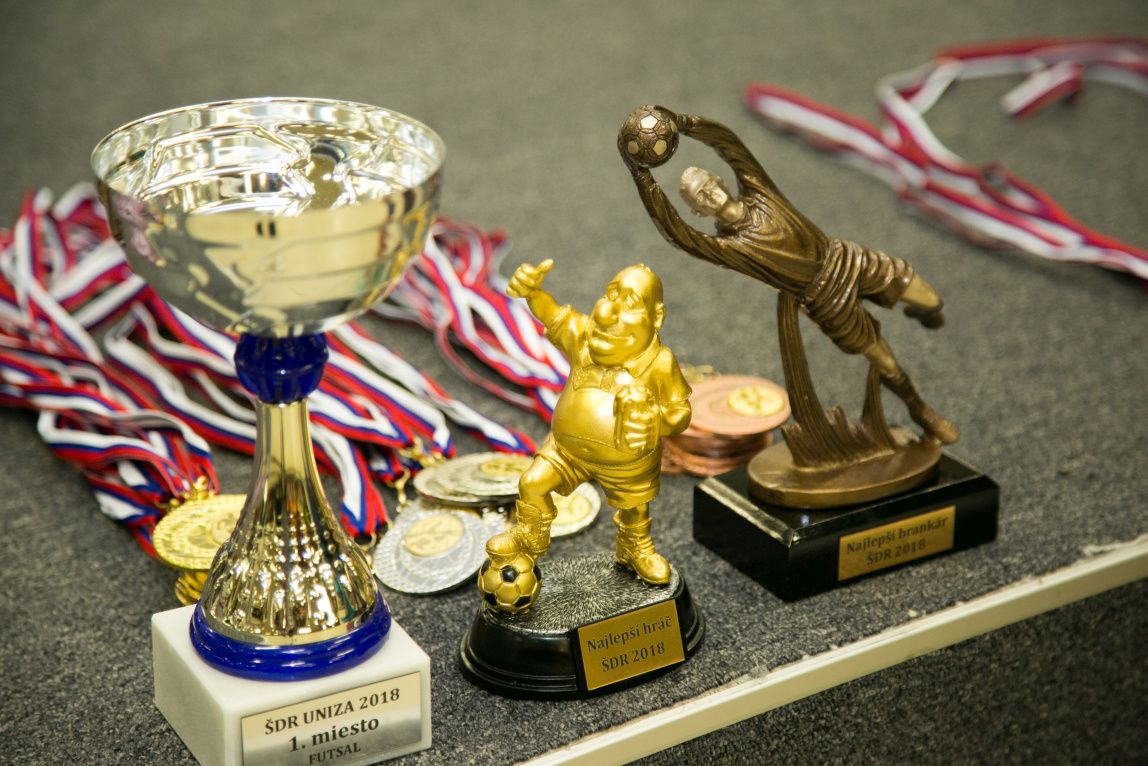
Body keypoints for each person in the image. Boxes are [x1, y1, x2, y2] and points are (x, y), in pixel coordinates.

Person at [621, 109, 958, 444]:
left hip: (846, 258)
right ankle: (922, 411)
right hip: (824, 299)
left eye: (709, 185)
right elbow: (677, 233)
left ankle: (924, 311)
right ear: (698, 211)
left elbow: (729, 145)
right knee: (884, 360)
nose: (710, 194)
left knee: (930, 299)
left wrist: (685, 123)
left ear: (721, 181)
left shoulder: (760, 192)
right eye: (700, 198)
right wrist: (642, 176)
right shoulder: (728, 247)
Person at [486, 260, 692, 585]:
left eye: (630, 302)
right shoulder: (584, 337)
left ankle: (635, 548)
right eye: (611, 294)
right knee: (532, 484)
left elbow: (680, 411)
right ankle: (530, 536)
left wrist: (657, 421)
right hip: (565, 451)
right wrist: (533, 292)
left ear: (656, 318)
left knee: (635, 508)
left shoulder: (659, 362)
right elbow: (553, 315)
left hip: (627, 461)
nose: (608, 312)